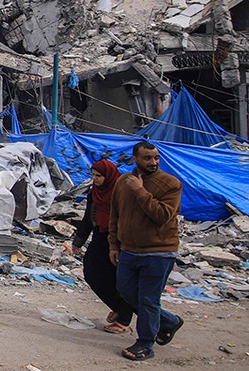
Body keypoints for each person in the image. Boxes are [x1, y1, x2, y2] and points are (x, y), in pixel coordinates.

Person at [109, 141, 184, 361]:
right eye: (147, 158)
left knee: (148, 299)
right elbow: (116, 216)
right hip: (129, 250)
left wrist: (140, 191)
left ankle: (145, 344)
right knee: (125, 290)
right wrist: (114, 244)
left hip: (158, 252)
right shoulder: (123, 183)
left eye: (156, 158)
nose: (153, 162)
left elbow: (162, 215)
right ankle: (168, 321)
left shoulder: (170, 184)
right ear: (135, 159)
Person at [71, 159, 133, 334]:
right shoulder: (95, 193)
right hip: (100, 236)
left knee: (117, 278)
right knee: (91, 272)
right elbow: (88, 219)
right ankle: (119, 307)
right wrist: (78, 242)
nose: (95, 179)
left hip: (118, 238)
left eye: (99, 176)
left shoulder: (121, 193)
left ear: (109, 176)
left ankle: (124, 318)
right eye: (93, 176)